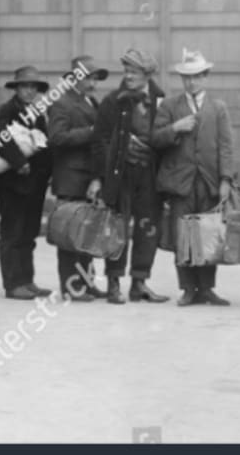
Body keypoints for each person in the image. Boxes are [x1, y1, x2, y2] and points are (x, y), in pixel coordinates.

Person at [152, 50, 234, 307]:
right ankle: (188, 288)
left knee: (208, 236)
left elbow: (226, 146)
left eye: (197, 77)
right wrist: (175, 129)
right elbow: (154, 139)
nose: (191, 82)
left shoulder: (218, 108)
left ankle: (207, 289)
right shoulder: (169, 105)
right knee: (184, 237)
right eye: (187, 77)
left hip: (209, 182)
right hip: (180, 183)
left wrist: (225, 180)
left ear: (205, 77)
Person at [88, 48, 169, 305]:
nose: (129, 77)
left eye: (134, 72)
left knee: (149, 229)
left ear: (147, 74)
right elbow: (99, 142)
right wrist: (99, 177)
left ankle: (139, 283)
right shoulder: (113, 101)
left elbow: (166, 139)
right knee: (116, 229)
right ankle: (113, 282)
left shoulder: (161, 100)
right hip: (120, 176)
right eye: (126, 71)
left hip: (149, 177)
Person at [0, 66, 53, 301]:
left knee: (28, 234)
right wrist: (18, 161)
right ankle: (13, 284)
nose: (29, 91)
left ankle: (27, 280)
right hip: (13, 183)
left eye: (33, 87)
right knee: (12, 233)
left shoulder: (37, 111)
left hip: (34, 185)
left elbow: (45, 143)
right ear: (16, 89)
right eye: (25, 86)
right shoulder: (8, 110)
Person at [47, 56, 109, 302]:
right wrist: (91, 133)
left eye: (95, 79)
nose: (93, 84)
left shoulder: (90, 101)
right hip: (70, 178)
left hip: (87, 179)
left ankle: (86, 282)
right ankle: (71, 288)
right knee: (69, 235)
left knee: (87, 233)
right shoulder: (61, 103)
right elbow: (56, 138)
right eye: (89, 78)